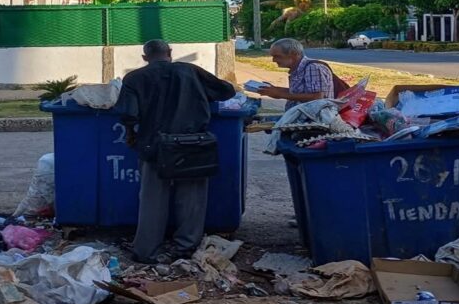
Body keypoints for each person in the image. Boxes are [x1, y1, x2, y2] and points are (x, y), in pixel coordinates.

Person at [116, 39, 235, 264]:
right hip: (193, 144)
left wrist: (131, 134)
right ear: (170, 53)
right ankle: (186, 247)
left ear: (144, 57)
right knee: (191, 199)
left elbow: (128, 115)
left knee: (152, 199)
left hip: (154, 145)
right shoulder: (191, 71)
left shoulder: (134, 78)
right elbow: (226, 91)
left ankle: (146, 250)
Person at [255, 38, 334, 110]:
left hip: (314, 120)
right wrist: (274, 90)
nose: (274, 60)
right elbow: (300, 92)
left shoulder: (312, 67)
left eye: (277, 56)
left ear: (294, 54)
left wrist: (280, 94)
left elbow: (317, 97)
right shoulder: (298, 68)